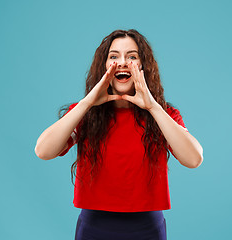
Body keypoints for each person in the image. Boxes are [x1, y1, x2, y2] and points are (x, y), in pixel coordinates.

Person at [35, 29, 203, 240]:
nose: (122, 62)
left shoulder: (164, 114)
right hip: (94, 227)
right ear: (104, 66)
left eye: (132, 56)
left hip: (147, 228)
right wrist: (87, 103)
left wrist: (152, 106)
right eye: (113, 57)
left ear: (143, 66)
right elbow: (43, 150)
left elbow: (194, 158)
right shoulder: (85, 114)